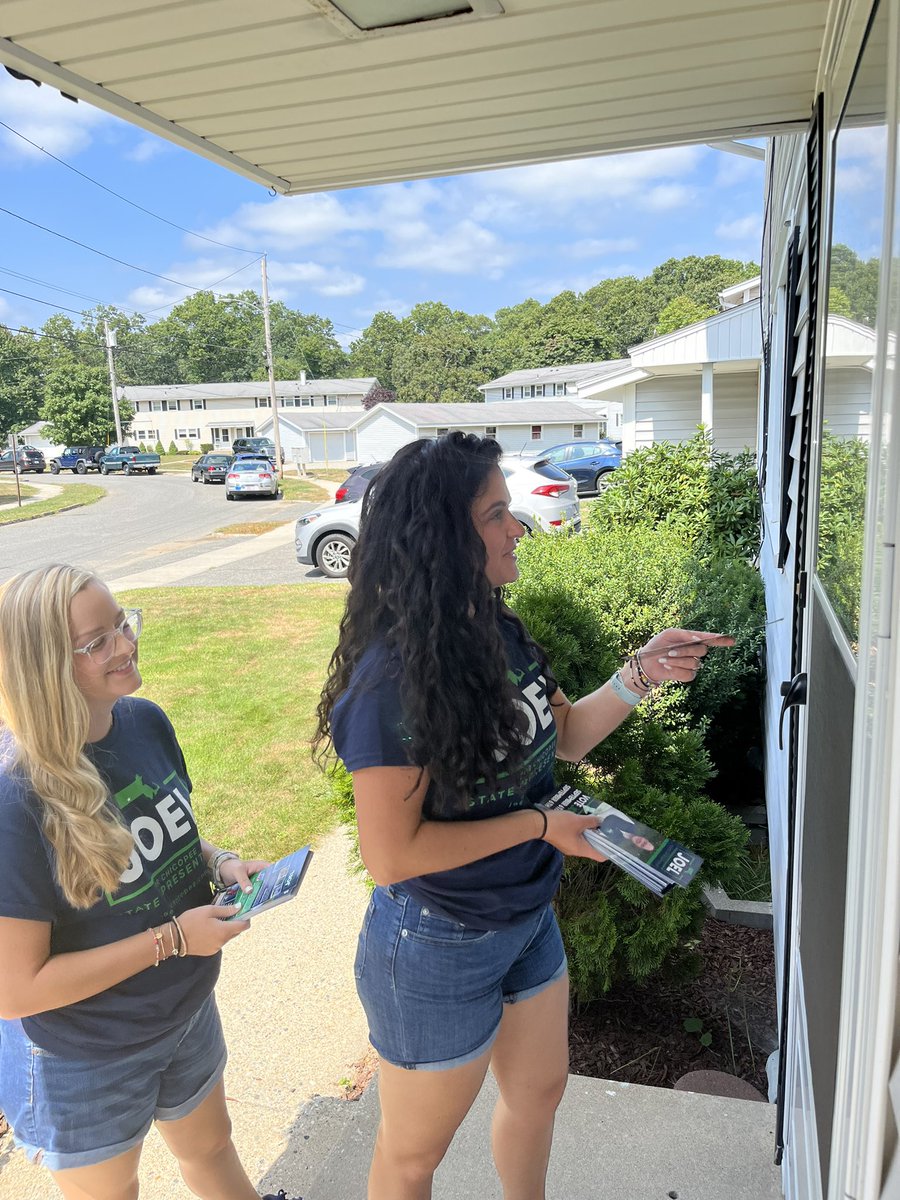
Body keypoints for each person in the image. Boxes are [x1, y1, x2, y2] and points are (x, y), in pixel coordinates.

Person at [315, 432, 732, 1200]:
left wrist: (642, 672)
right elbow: (393, 857)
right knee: (413, 1156)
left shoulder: (497, 630)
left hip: (526, 916)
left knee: (538, 1094)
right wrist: (542, 828)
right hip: (436, 939)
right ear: (443, 538)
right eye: (497, 514)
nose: (517, 528)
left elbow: (565, 739)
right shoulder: (388, 688)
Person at [0, 564, 295, 1200]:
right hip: (82, 1054)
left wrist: (218, 863)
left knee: (213, 1149)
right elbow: (16, 990)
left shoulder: (144, 722)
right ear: (46, 666)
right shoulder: (14, 798)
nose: (126, 645)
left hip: (182, 1011)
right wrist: (172, 941)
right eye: (96, 641)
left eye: (122, 624)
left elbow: (151, 832)